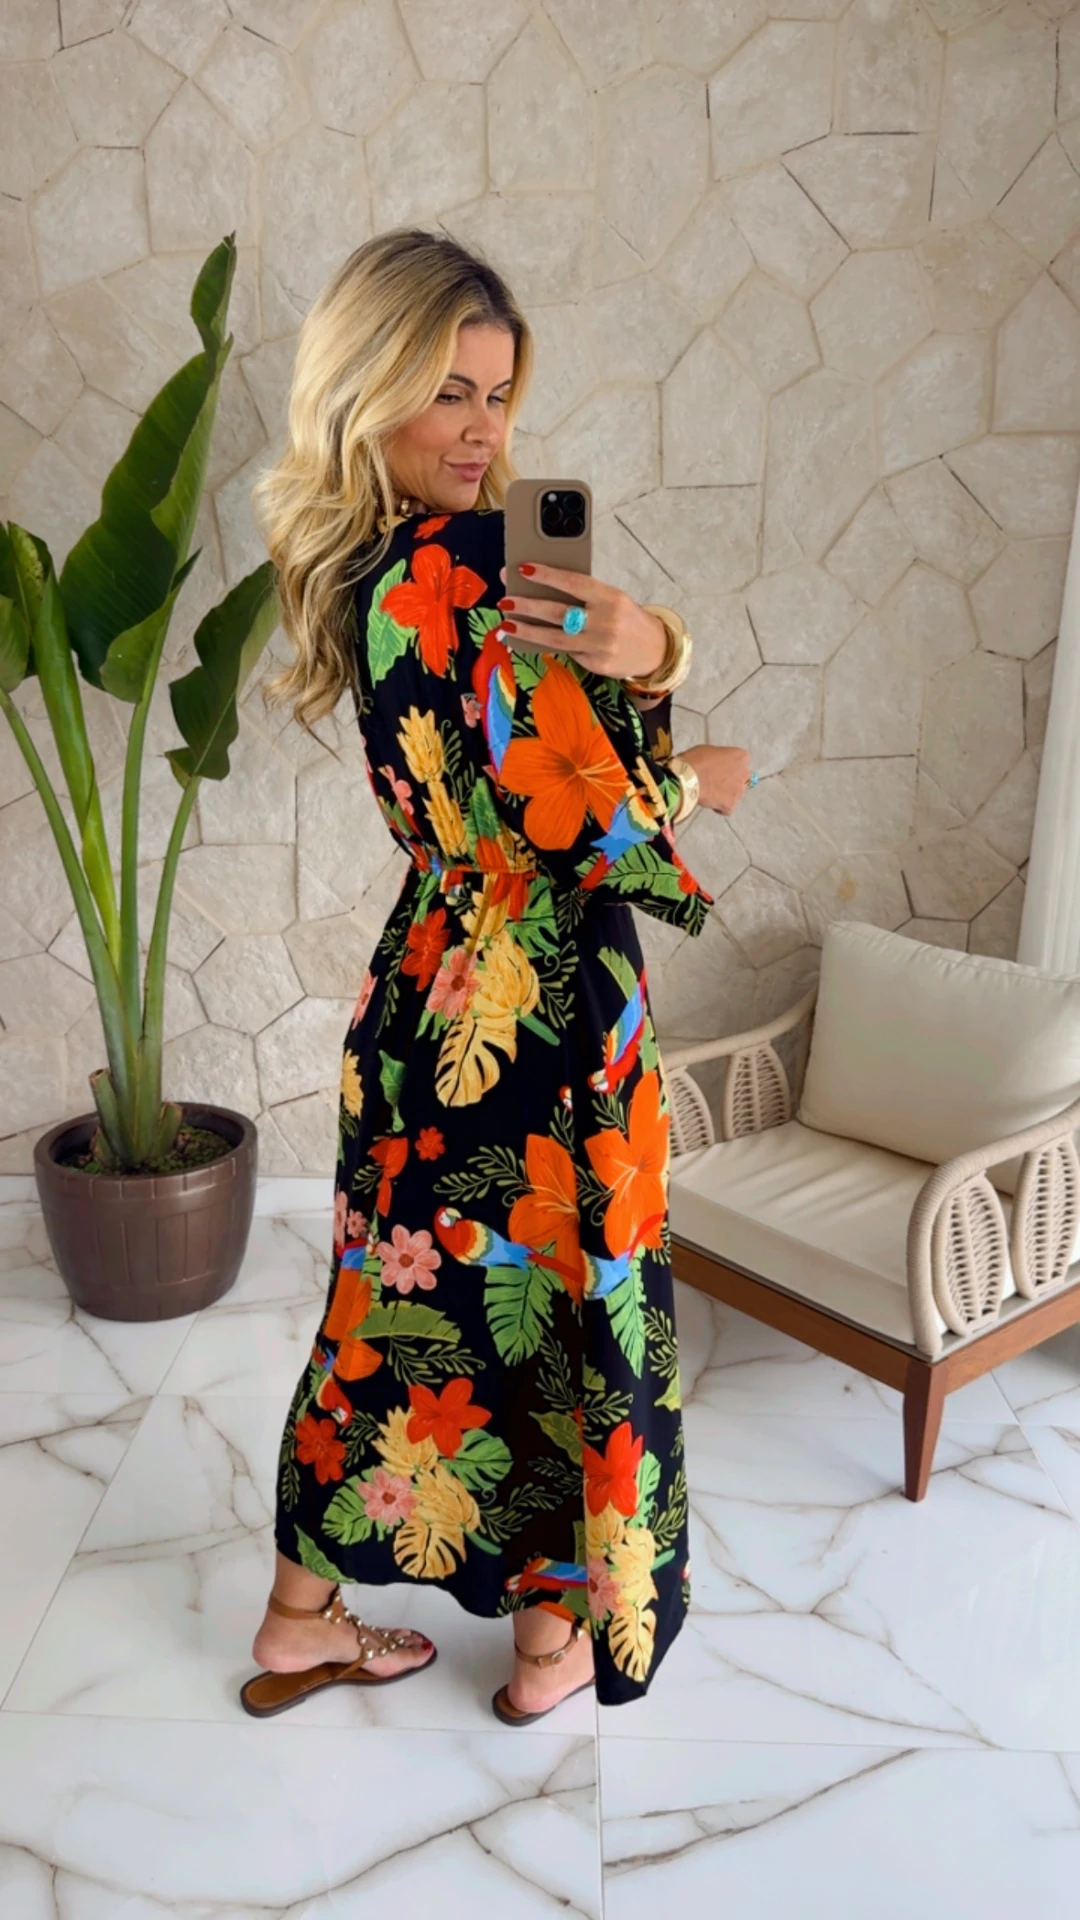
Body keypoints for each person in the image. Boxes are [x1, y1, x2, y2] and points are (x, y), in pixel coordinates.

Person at [242, 228, 752, 1724]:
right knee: (562, 1317)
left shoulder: (365, 568)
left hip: (427, 993)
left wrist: (633, 660)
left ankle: (298, 1622)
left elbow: (494, 785)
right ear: (370, 386)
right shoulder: (481, 564)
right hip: (548, 1011)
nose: (482, 431)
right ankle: (545, 1653)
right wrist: (677, 711)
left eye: (501, 395)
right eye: (449, 391)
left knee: (396, 1315)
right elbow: (584, 815)